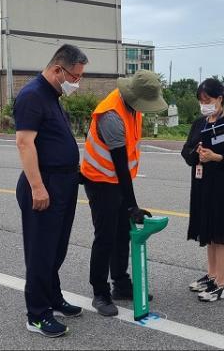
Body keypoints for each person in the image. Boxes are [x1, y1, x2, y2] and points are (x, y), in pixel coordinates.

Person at [13, 44, 87, 338]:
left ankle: (53, 298)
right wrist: (37, 187)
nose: (77, 82)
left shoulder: (52, 96)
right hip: (43, 185)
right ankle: (37, 314)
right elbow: (24, 143)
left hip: (63, 183)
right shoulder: (32, 95)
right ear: (58, 69)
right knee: (41, 252)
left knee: (56, 249)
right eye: (75, 76)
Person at [80, 69, 167, 317]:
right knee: (105, 237)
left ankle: (120, 283)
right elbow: (120, 166)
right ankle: (100, 292)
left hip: (116, 179)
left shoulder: (132, 107)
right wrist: (132, 206)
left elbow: (124, 169)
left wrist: (129, 205)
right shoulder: (111, 116)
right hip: (100, 181)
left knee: (122, 234)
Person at [182, 78, 224, 302]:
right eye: (201, 101)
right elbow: (186, 151)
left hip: (223, 187)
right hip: (202, 185)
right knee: (209, 234)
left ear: (220, 98)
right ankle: (211, 275)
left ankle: (221, 283)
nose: (204, 105)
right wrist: (196, 153)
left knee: (222, 235)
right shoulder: (199, 123)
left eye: (207, 100)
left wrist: (216, 157)